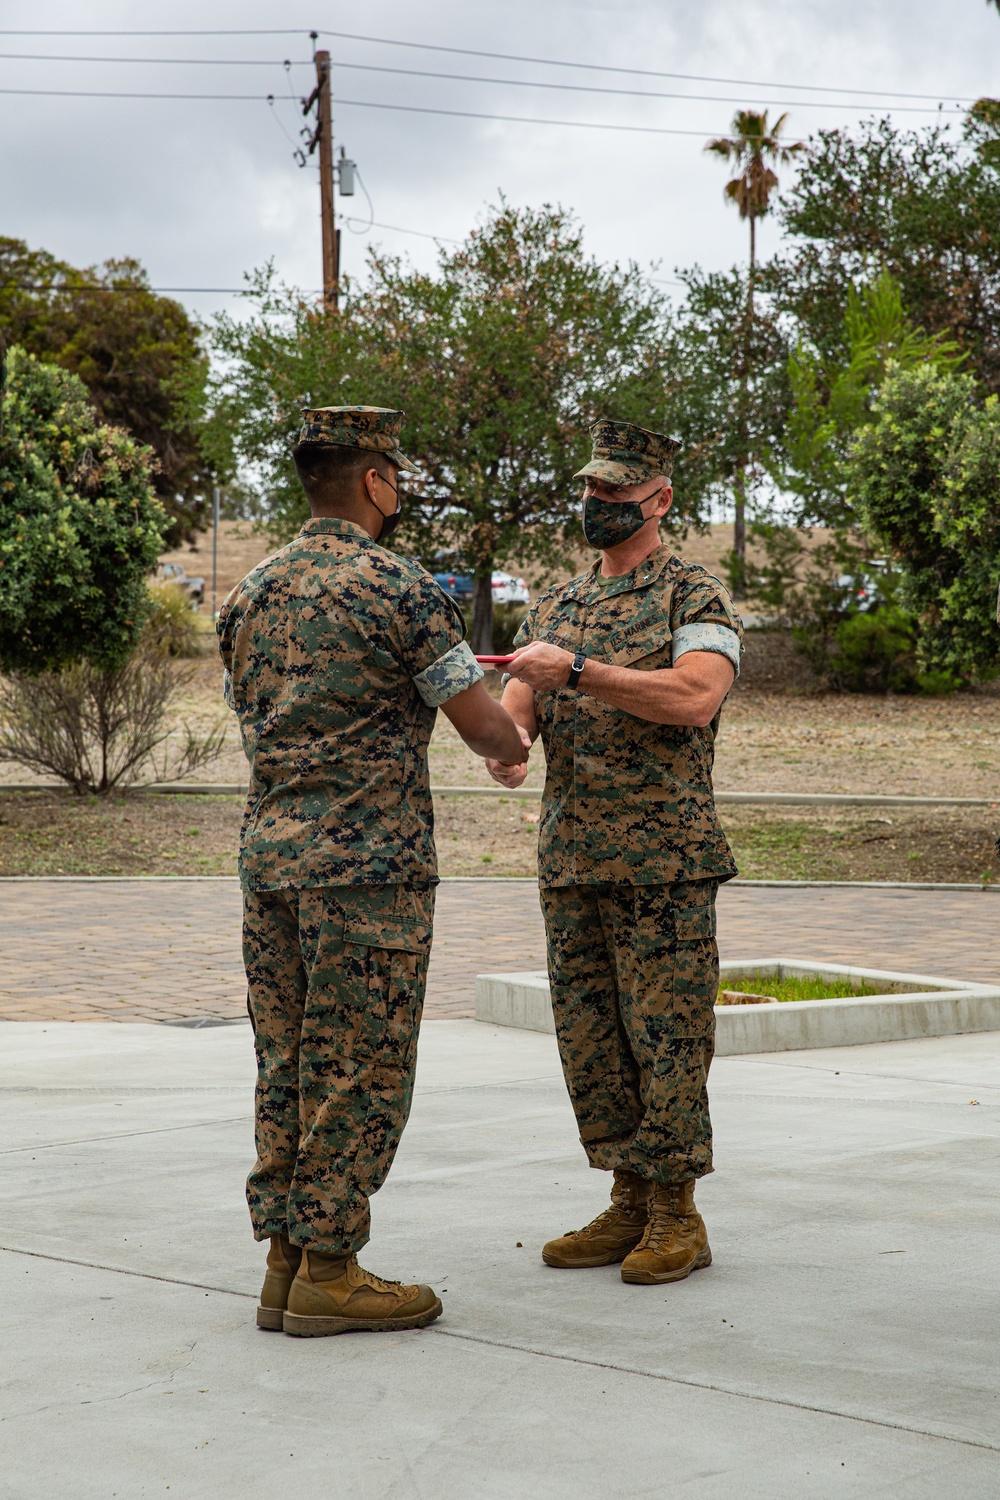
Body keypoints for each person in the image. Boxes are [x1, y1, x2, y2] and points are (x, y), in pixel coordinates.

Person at [218, 405, 526, 1337]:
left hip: (270, 861)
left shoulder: (250, 593)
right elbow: (486, 729)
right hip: (368, 871)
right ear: (376, 481)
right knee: (359, 1064)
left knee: (286, 1061)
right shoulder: (399, 589)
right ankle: (333, 1269)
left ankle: (285, 1257)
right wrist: (523, 711)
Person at [485, 418, 742, 1286]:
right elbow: (516, 715)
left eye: (616, 492)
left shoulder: (692, 597)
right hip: (573, 860)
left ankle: (677, 1212)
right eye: (590, 490)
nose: (598, 504)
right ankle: (628, 1196)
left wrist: (584, 674)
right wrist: (503, 738)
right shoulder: (555, 607)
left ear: (659, 499)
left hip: (665, 862)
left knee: (668, 1036)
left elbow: (695, 698)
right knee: (591, 1040)